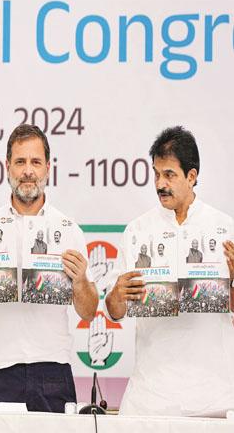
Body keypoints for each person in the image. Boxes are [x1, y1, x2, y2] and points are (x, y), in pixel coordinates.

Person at [0, 124, 98, 413]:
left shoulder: (68, 229)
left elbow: (89, 311)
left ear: (48, 167)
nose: (28, 171)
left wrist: (80, 280)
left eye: (35, 162)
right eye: (20, 162)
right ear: (7, 167)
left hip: (53, 370)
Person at [105, 126, 234, 416]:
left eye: (170, 175)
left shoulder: (225, 229)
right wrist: (118, 293)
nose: (160, 184)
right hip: (150, 398)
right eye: (157, 173)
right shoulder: (137, 231)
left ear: (192, 176)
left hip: (214, 398)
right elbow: (114, 310)